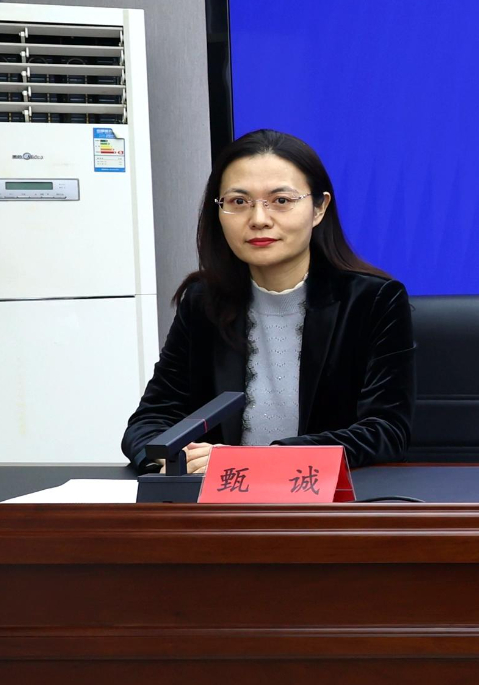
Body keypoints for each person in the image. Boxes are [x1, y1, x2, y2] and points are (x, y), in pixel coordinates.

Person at [122, 129, 413, 471]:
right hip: (220, 497)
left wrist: (259, 463)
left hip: (326, 496)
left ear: (319, 208)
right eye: (238, 202)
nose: (259, 220)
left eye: (281, 201)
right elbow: (149, 422)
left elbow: (385, 432)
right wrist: (172, 457)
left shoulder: (372, 301)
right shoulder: (203, 302)